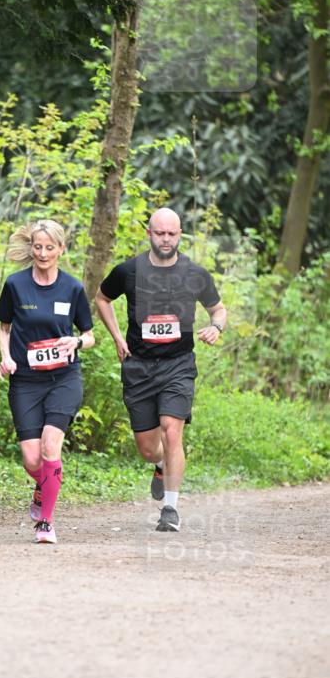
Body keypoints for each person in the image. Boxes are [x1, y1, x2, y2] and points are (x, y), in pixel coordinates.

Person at [95, 207, 227, 532]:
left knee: (172, 429)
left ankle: (170, 509)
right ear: (149, 233)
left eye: (171, 234)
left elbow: (218, 309)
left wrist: (216, 328)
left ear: (180, 235)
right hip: (139, 366)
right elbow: (101, 298)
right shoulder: (129, 271)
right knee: (147, 448)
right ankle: (158, 466)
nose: (165, 239)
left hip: (179, 365)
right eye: (159, 233)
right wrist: (116, 338)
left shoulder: (195, 273)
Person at [0, 220, 95, 544]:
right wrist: (6, 357)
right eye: (38, 247)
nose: (43, 253)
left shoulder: (73, 288)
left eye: (50, 247)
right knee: (32, 459)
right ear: (32, 248)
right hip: (25, 380)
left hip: (64, 377)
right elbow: (4, 328)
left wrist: (76, 343)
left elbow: (90, 336)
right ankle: (43, 487)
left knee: (52, 444)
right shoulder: (15, 285)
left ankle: (46, 523)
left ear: (61, 250)